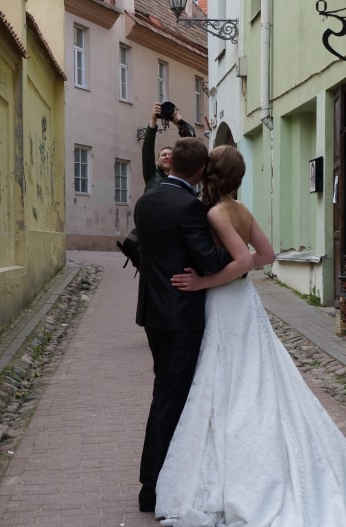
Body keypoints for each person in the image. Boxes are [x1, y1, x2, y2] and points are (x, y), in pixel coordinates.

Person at [155, 145, 346, 527]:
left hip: (225, 300)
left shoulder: (214, 212)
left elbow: (243, 262)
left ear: (212, 170)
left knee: (229, 376)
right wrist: (234, 267)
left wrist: (204, 280)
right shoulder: (241, 209)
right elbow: (267, 254)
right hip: (246, 300)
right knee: (256, 374)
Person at [134, 139, 253, 514]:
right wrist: (238, 254)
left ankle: (163, 479)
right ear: (201, 171)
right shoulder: (189, 207)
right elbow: (207, 258)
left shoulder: (146, 200)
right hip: (181, 315)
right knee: (171, 399)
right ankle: (152, 487)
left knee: (166, 393)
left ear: (171, 164)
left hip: (152, 313)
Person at [142, 102, 195, 192]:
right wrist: (153, 119)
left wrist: (180, 125)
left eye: (170, 154)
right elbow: (147, 150)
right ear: (157, 161)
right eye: (163, 155)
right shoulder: (151, 176)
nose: (167, 157)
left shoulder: (182, 177)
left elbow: (192, 149)